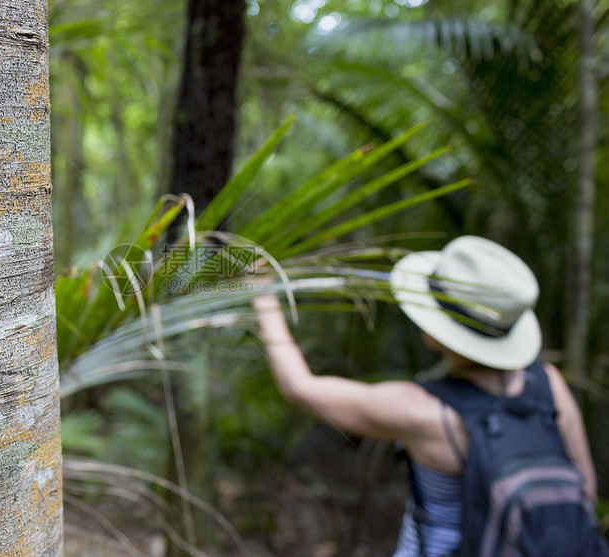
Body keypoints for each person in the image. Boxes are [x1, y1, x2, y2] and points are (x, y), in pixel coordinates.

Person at [253, 235, 600, 556]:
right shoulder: (548, 383)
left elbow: (299, 387)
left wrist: (262, 293)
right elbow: (585, 491)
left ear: (440, 331)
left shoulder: (423, 411)